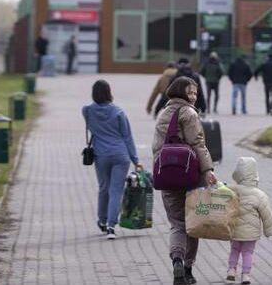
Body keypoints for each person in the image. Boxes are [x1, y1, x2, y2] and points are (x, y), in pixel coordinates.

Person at [152, 77, 217, 285]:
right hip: (189, 176)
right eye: (191, 93)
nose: (194, 97)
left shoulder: (163, 113)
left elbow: (157, 147)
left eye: (196, 93)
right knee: (193, 223)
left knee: (177, 224)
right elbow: (198, 143)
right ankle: (187, 268)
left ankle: (177, 259)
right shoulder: (189, 113)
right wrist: (207, 170)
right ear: (180, 92)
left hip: (168, 175)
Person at [82, 80, 142, 240]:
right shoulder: (118, 113)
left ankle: (101, 220)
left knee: (103, 188)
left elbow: (92, 126)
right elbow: (127, 137)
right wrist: (136, 160)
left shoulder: (87, 111)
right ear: (109, 92)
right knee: (116, 190)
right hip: (120, 155)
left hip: (101, 156)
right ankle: (111, 226)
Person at [226, 157, 272, 285]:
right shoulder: (259, 195)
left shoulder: (231, 190)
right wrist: (269, 231)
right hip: (250, 233)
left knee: (234, 250)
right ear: (255, 174)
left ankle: (231, 271)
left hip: (234, 230)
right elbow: (267, 214)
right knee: (247, 252)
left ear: (237, 174)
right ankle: (246, 275)